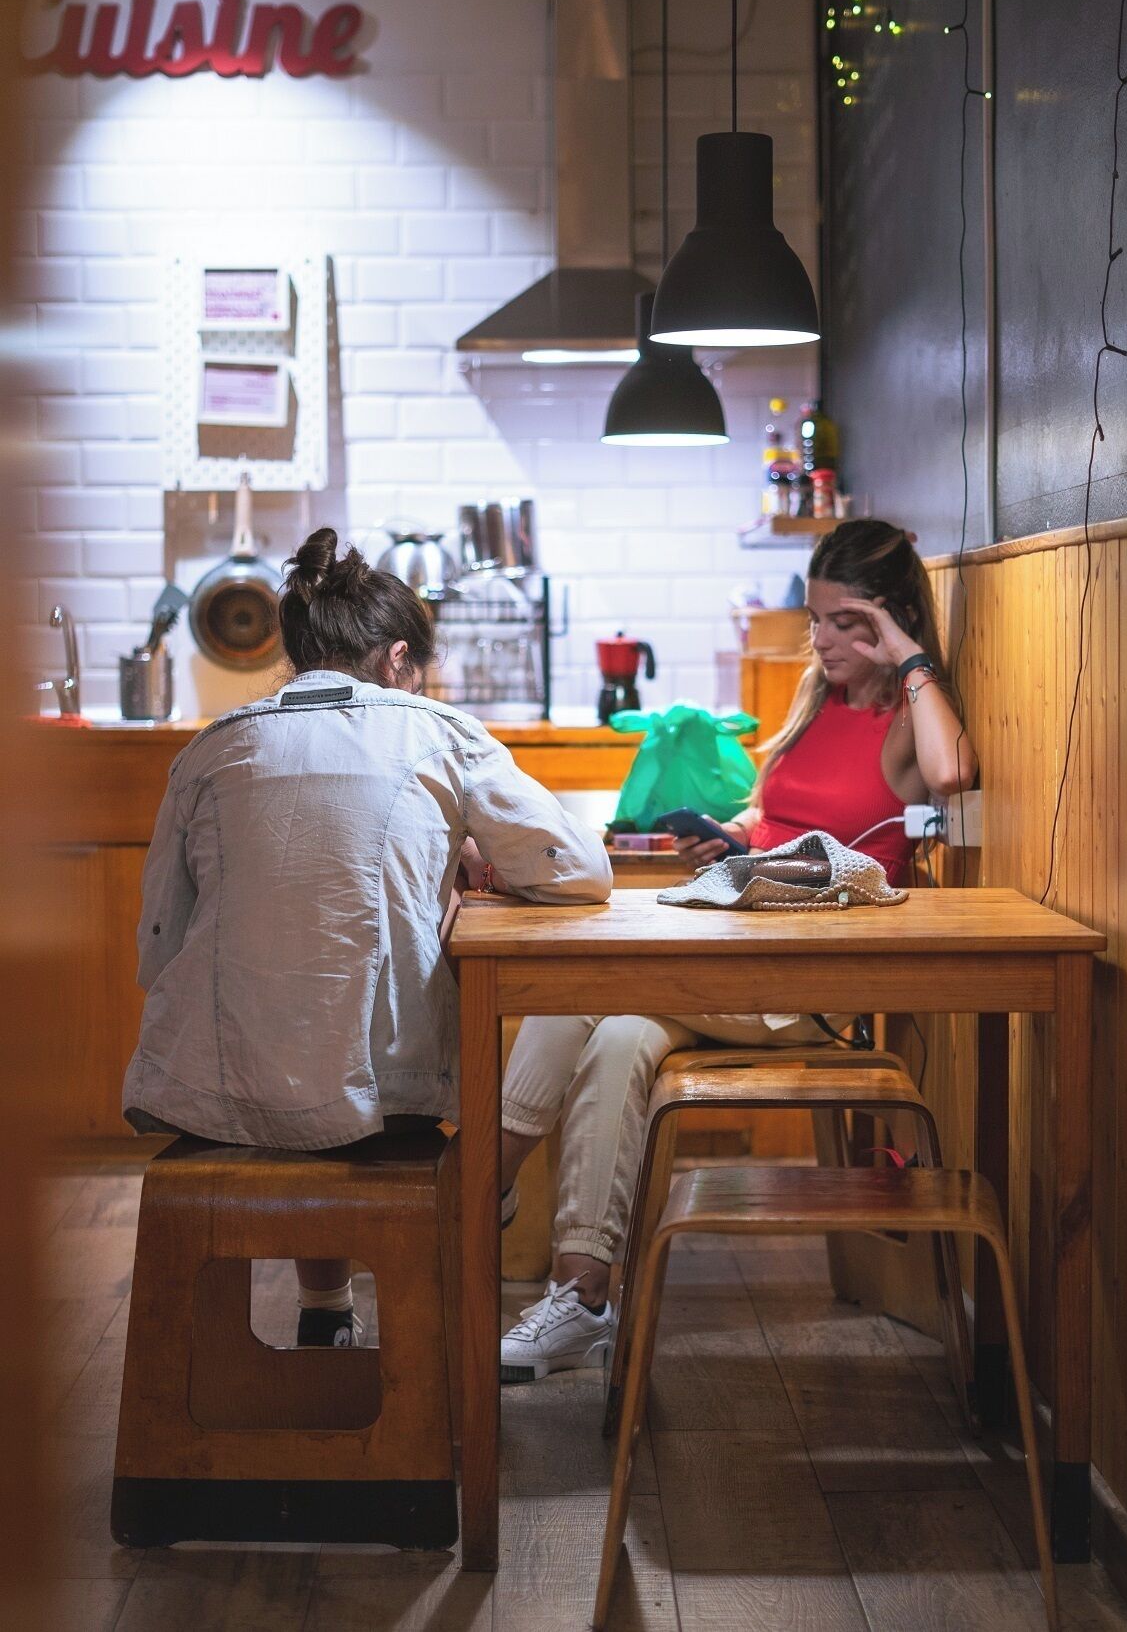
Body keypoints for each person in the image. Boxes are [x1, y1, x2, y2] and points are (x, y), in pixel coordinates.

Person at [494, 519, 978, 1382]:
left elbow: (949, 775)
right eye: (816, 619)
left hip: (806, 989)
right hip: (733, 951)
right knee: (614, 1035)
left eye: (843, 620)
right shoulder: (818, 699)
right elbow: (773, 812)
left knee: (586, 979)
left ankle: (478, 1182)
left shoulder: (906, 719)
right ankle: (582, 1297)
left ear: (891, 618)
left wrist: (906, 652)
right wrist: (734, 838)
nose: (820, 638)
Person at [123, 528, 611, 1347]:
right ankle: (421, 1318)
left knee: (298, 1040)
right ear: (396, 659)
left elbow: (157, 945)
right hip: (387, 1101)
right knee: (346, 1065)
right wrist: (474, 854)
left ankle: (325, 1316)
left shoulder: (212, 746)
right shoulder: (439, 733)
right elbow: (579, 869)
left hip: (207, 1094)